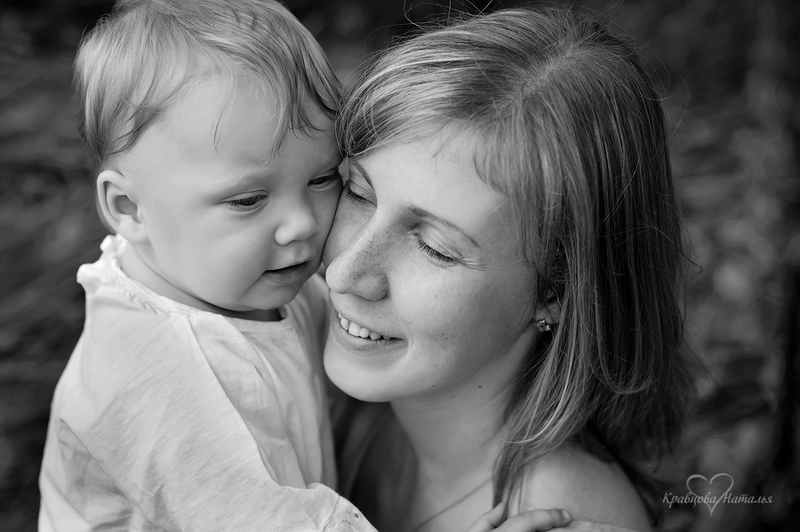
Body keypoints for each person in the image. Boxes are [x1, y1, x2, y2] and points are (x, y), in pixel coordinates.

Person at [38, 0, 574, 530]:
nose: (301, 224)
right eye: (248, 200)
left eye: (322, 180)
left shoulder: (228, 282)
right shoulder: (157, 378)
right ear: (129, 209)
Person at [324, 6, 693, 532]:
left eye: (435, 247)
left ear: (556, 290)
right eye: (358, 193)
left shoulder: (560, 517)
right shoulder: (317, 387)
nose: (343, 273)